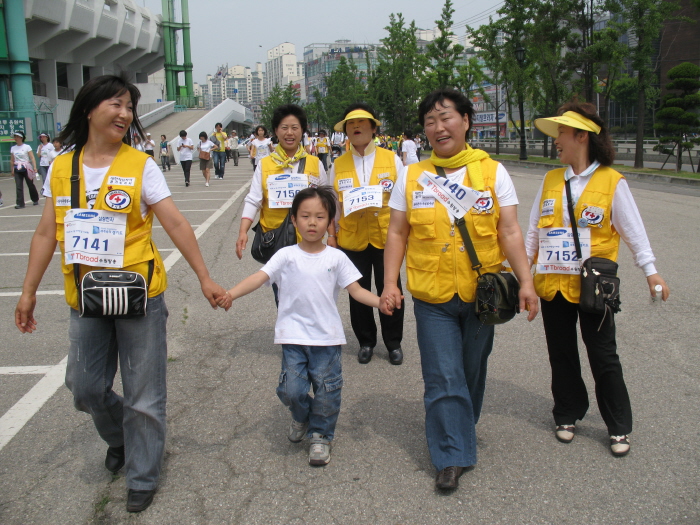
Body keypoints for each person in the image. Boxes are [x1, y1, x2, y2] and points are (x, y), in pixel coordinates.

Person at [13, 73, 229, 513]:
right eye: (116, 104)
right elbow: (45, 233)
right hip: (85, 295)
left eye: (129, 106)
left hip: (138, 292)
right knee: (85, 387)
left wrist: (205, 277)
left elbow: (175, 223)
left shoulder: (141, 165)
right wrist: (28, 291)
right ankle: (122, 438)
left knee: (144, 393)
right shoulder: (62, 166)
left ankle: (143, 473)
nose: (126, 113)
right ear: (90, 109)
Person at [381, 88, 539, 491]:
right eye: (430, 121)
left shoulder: (491, 173)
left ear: (466, 121)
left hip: (481, 294)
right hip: (431, 296)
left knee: (471, 370)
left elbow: (509, 230)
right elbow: (397, 231)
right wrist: (389, 283)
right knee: (442, 375)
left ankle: (460, 427)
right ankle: (451, 456)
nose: (438, 126)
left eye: (446, 117)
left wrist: (526, 282)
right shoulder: (413, 174)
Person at [528, 101, 670, 457]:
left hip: (594, 286)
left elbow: (633, 231)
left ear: (582, 136)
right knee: (560, 354)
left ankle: (618, 425)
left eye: (561, 133)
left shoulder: (611, 181)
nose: (556, 140)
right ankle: (567, 412)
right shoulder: (550, 179)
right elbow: (532, 233)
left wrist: (651, 271)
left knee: (603, 355)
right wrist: (520, 276)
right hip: (554, 283)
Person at [219, 187, 392, 466]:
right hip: (293, 336)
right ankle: (301, 416)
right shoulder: (285, 255)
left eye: (320, 217)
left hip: (326, 338)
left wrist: (380, 302)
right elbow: (258, 277)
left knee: (326, 390)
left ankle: (321, 435)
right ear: (294, 219)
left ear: (330, 222)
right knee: (292, 390)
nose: (313, 222)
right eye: (306, 216)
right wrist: (230, 294)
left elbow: (357, 291)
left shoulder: (336, 257)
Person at [329, 103, 406, 365]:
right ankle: (366, 341)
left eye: (362, 123)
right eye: (351, 124)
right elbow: (332, 205)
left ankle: (393, 342)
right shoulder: (338, 164)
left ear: (373, 128)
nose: (357, 127)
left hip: (387, 238)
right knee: (358, 292)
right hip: (352, 239)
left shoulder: (392, 160)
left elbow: (402, 201)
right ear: (346, 131)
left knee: (390, 288)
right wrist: (332, 235)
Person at [236, 105, 332, 303]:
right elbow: (253, 199)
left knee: (312, 292)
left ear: (303, 130)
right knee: (282, 294)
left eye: (295, 127)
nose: (290, 133)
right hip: (277, 240)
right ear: (276, 131)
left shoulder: (315, 163)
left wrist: (332, 235)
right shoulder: (265, 164)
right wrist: (243, 231)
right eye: (284, 127)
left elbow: (327, 203)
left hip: (310, 239)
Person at [11, 131, 39, 209]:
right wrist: (12, 169)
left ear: (21, 138)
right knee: (18, 186)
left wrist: (34, 167)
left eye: (17, 136)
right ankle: (20, 203)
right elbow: (12, 160)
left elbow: (32, 157)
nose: (15, 138)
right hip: (17, 168)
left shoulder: (27, 147)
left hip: (26, 167)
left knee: (30, 184)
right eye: (15, 137)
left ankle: (35, 199)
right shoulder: (13, 148)